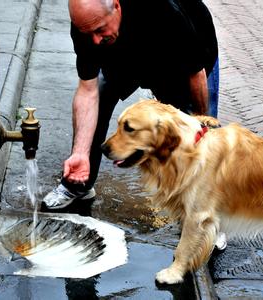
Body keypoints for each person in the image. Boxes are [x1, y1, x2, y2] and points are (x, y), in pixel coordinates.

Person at [42, 0, 219, 209]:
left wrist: (199, 123)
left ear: (117, 6)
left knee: (197, 132)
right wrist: (80, 152)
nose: (95, 40)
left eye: (100, 30)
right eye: (88, 33)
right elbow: (87, 91)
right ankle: (79, 184)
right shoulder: (87, 25)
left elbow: (195, 73)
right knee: (99, 92)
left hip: (178, 60)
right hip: (124, 58)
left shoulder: (165, 12)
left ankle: (205, 210)